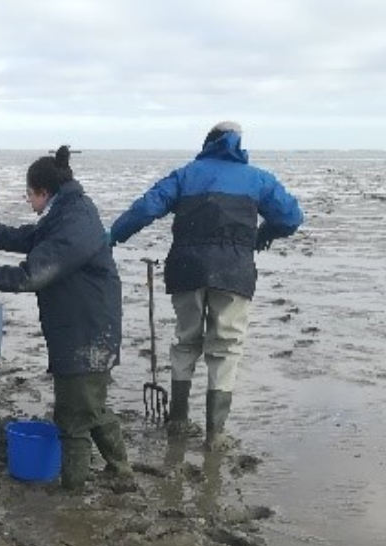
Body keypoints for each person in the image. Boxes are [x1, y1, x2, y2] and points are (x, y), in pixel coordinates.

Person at [0, 146, 129, 492]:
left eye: (29, 194)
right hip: (86, 327)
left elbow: (29, 276)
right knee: (92, 405)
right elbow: (20, 237)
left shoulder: (74, 223)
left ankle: (72, 494)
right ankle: (121, 472)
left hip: (86, 334)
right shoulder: (68, 213)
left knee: (72, 418)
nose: (28, 201)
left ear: (43, 192)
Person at [109, 121, 304, 449]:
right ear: (238, 145)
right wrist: (263, 235)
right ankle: (215, 435)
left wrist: (112, 236)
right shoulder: (258, 180)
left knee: (186, 342)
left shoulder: (186, 175)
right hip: (234, 273)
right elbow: (291, 218)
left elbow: (146, 208)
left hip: (186, 271)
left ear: (207, 142)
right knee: (226, 347)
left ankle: (178, 422)